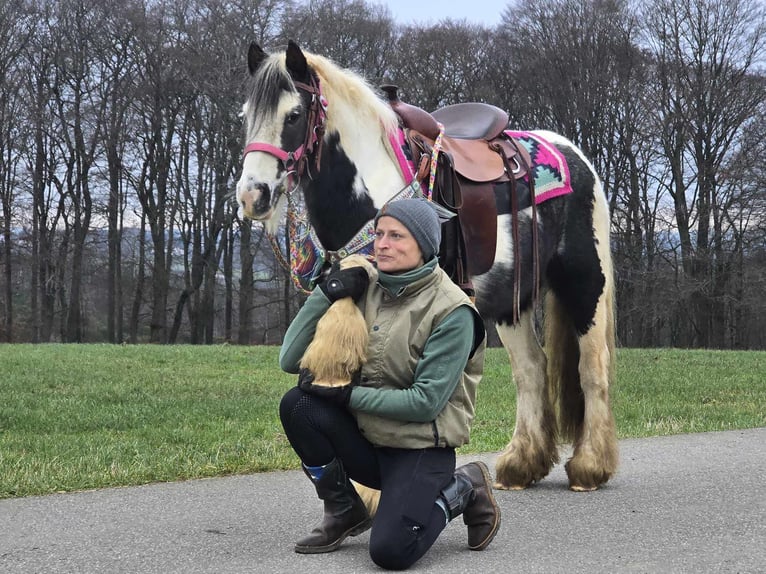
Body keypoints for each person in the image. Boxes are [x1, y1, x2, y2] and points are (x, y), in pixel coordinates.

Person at [278, 198, 500, 570]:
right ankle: (345, 510)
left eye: (396, 236)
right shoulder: (365, 285)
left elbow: (425, 403)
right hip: (369, 442)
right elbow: (289, 360)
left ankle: (462, 488)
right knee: (298, 403)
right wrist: (327, 292)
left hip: (420, 451)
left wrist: (346, 395)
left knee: (391, 552)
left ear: (424, 245)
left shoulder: (453, 312)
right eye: (379, 233)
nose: (381, 244)